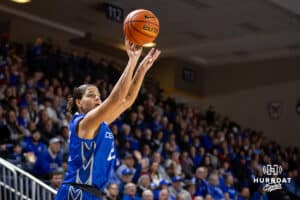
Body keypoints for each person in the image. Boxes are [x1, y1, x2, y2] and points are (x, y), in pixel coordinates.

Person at [55, 39, 161, 200]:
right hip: (76, 193)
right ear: (78, 102)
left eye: (99, 96)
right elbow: (116, 99)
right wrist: (131, 61)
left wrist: (142, 69)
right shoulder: (84, 123)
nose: (98, 99)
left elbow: (127, 100)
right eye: (91, 96)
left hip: (93, 193)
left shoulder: (100, 123)